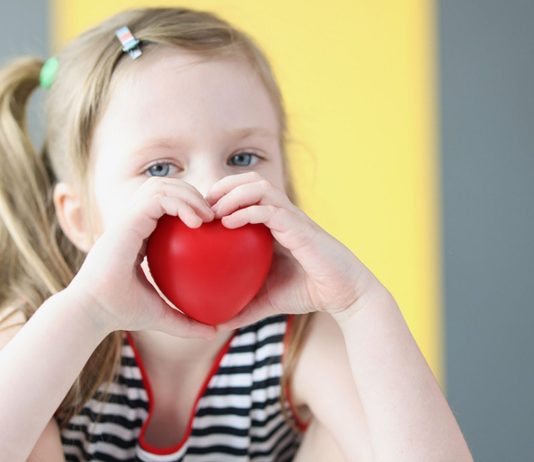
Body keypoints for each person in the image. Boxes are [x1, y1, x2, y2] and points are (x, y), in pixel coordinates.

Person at [0, 6, 473, 462]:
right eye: (161, 167)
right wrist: (88, 311)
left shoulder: (296, 338)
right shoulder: (44, 331)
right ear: (79, 218)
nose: (211, 194)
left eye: (243, 158)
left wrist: (362, 305)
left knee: (358, 425)